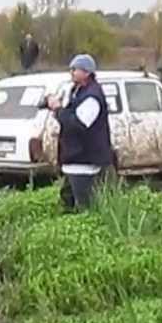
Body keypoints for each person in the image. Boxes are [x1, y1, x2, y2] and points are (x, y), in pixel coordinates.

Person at [47, 54, 113, 210]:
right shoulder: (77, 91)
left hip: (84, 161)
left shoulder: (92, 97)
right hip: (74, 159)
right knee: (67, 201)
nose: (71, 72)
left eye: (74, 69)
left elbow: (78, 125)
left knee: (83, 205)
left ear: (87, 72)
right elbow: (68, 117)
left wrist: (58, 109)